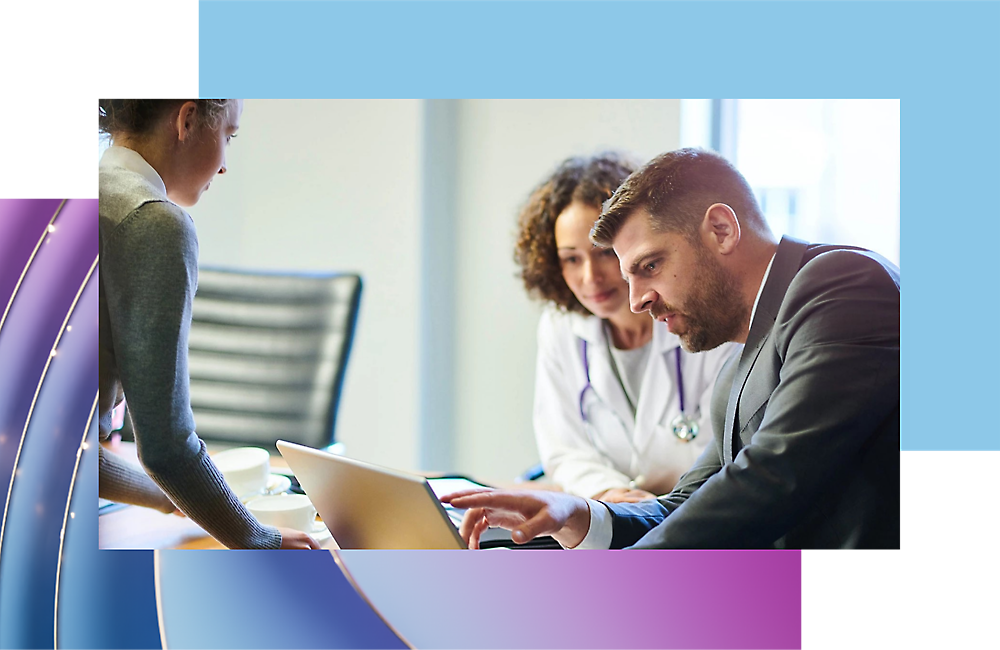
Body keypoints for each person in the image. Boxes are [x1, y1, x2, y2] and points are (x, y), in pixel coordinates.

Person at [443, 148, 900, 550]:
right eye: (630, 277)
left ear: (721, 230)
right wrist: (579, 514)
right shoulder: (738, 365)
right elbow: (686, 504)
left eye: (651, 265)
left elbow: (773, 479)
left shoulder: (842, 284)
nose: (637, 299)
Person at [98, 98, 319, 549]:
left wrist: (186, 499)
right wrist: (260, 539)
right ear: (188, 119)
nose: (223, 166)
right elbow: (166, 447)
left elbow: (53, 455)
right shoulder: (154, 224)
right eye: (228, 137)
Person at [514, 153, 737, 502]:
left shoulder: (703, 320)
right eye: (571, 259)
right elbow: (565, 450)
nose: (590, 278)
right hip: (606, 513)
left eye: (603, 253)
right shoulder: (561, 328)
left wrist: (649, 506)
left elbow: (724, 452)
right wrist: (610, 493)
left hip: (695, 519)